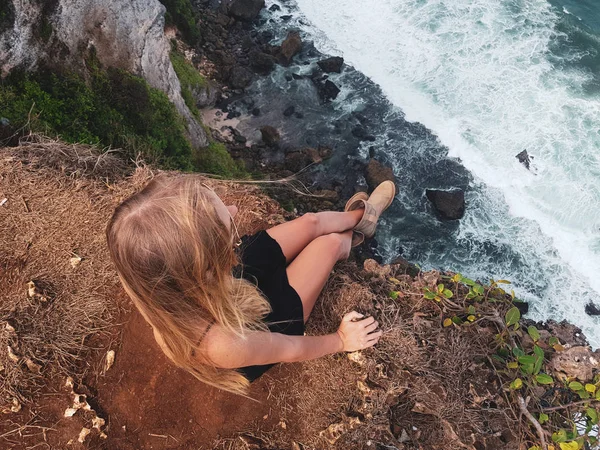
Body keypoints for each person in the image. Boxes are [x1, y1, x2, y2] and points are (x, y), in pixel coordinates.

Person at [105, 174, 396, 395]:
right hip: (260, 326)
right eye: (223, 221)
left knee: (310, 222)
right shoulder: (222, 344)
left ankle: (362, 218)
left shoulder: (153, 277)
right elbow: (291, 349)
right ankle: (351, 240)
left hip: (225, 280)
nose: (233, 209)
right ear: (205, 258)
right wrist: (341, 341)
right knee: (329, 243)